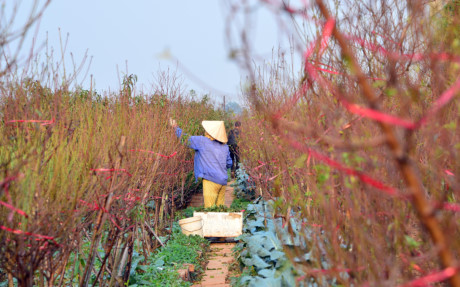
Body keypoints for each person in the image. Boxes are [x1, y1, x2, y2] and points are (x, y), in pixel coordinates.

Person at [170, 119, 232, 208]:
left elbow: (185, 139)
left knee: (210, 210)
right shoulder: (225, 146)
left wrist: (175, 127)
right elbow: (229, 163)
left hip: (210, 180)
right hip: (223, 182)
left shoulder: (202, 141)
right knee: (220, 210)